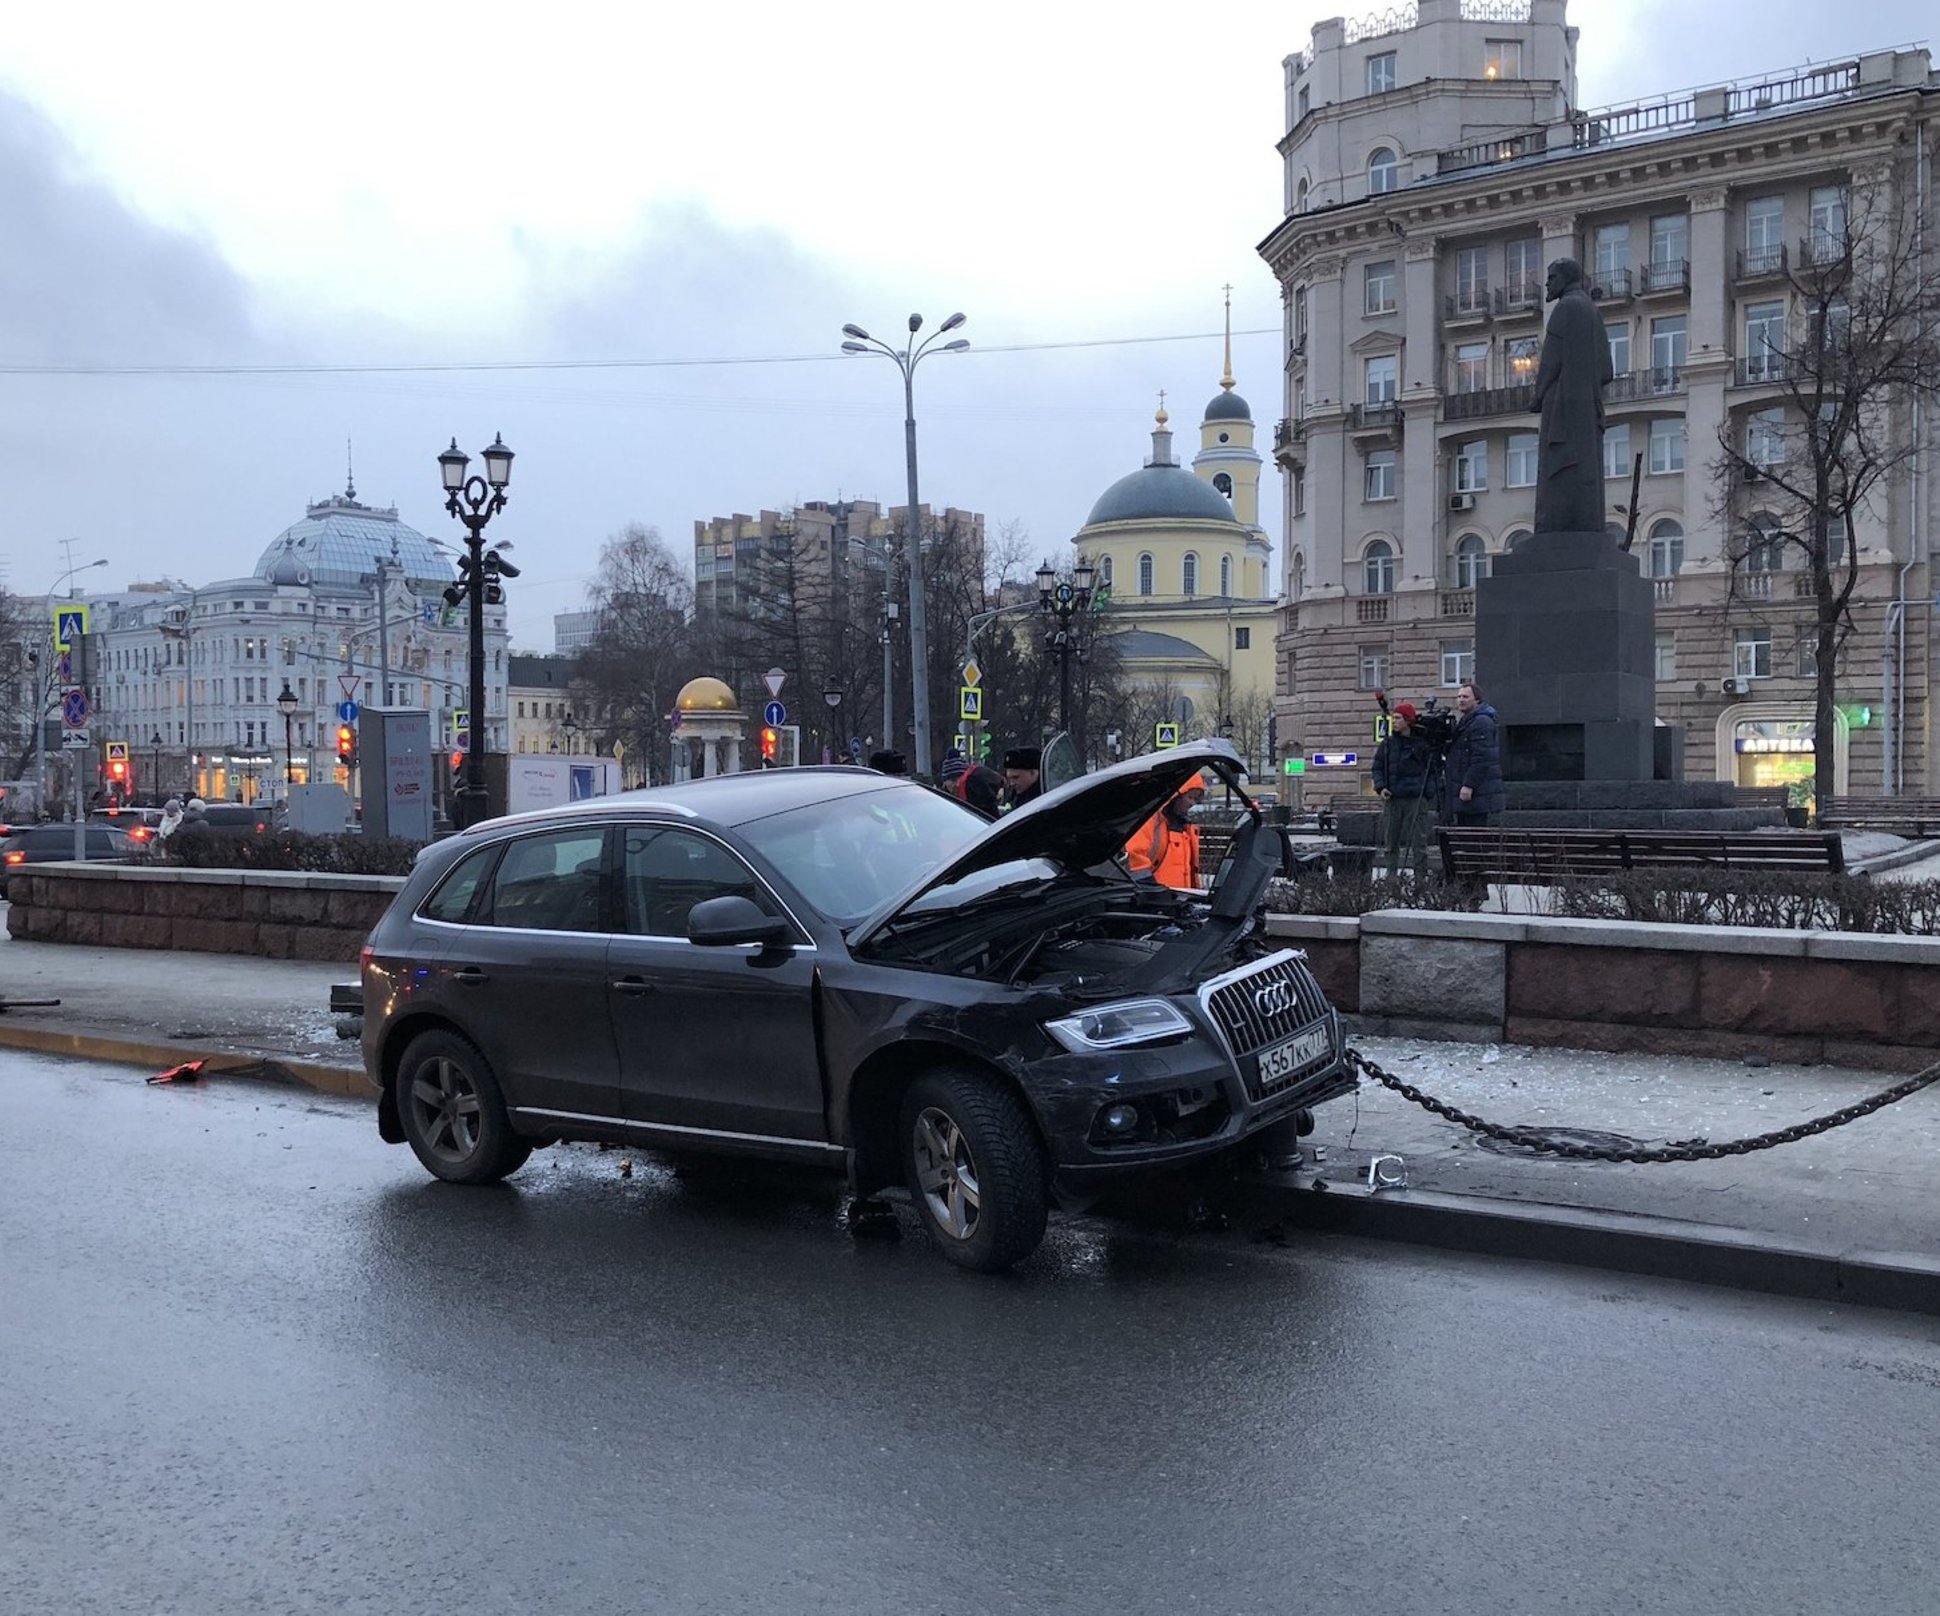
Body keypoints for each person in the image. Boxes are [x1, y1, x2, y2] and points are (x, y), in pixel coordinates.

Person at [1372, 703, 1436, 878]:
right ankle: (1391, 878)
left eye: (1398, 718)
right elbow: (1377, 767)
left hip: (1416, 798)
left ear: (1408, 720)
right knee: (1390, 842)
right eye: (1393, 718)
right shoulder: (1388, 744)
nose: (1394, 721)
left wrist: (1426, 793)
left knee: (1418, 842)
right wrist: (1381, 787)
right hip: (1393, 798)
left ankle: (1420, 880)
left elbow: (1432, 770)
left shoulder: (1422, 744)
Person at [1125, 774, 1207, 890]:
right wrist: (1149, 888)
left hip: (1179, 898)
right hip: (1157, 899)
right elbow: (1135, 854)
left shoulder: (1187, 827)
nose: (1192, 803)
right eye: (1190, 797)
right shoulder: (1152, 820)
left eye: (1195, 799)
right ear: (1177, 796)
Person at [1440, 680, 1504, 826]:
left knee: (1475, 836)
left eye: (1465, 697)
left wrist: (1468, 785)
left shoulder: (1482, 722)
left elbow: (1482, 758)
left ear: (1477, 699)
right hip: (1468, 792)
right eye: (1459, 697)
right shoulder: (1466, 721)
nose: (1461, 700)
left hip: (1477, 793)